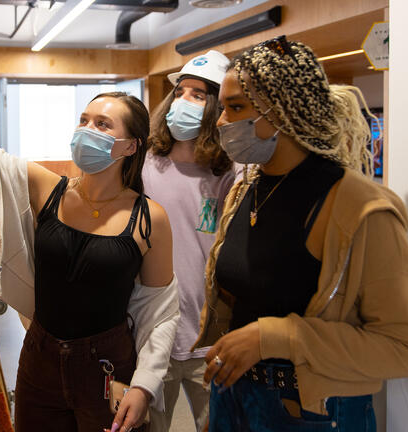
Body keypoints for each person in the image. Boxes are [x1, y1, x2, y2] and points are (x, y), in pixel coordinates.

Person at [0, 24, 180, 432]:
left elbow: (160, 315)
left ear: (131, 146)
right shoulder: (46, 188)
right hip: (39, 359)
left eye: (103, 125)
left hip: (108, 369)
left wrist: (144, 386)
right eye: (84, 119)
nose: (86, 131)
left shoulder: (149, 218)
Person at [194, 36, 408, 431]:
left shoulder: (360, 208)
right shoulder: (245, 191)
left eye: (236, 108)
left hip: (311, 412)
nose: (221, 123)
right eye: (222, 109)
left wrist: (277, 336)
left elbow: (404, 349)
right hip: (234, 397)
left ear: (282, 111)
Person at [142, 50, 235, 432]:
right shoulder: (147, 163)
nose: (184, 102)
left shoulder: (229, 170)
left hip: (209, 339)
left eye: (199, 95)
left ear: (217, 106)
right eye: (181, 92)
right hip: (151, 333)